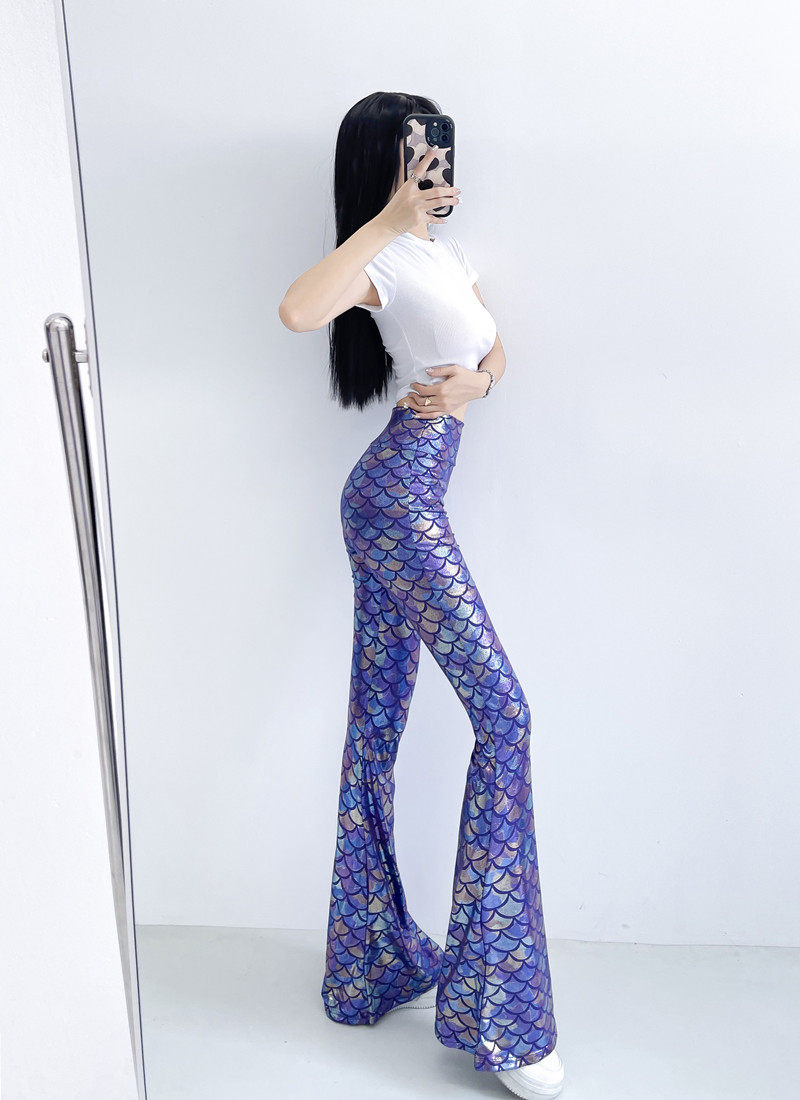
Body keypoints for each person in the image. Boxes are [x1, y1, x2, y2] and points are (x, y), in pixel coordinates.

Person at [279, 91, 565, 1099]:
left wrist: (483, 382)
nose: (435, 175)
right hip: (395, 501)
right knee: (505, 714)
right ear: (383, 169)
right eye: (414, 160)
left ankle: (372, 966)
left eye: (440, 156)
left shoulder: (449, 256)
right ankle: (502, 1015)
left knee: (379, 727)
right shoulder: (383, 258)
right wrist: (385, 219)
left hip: (404, 495)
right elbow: (297, 310)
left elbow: (491, 347)